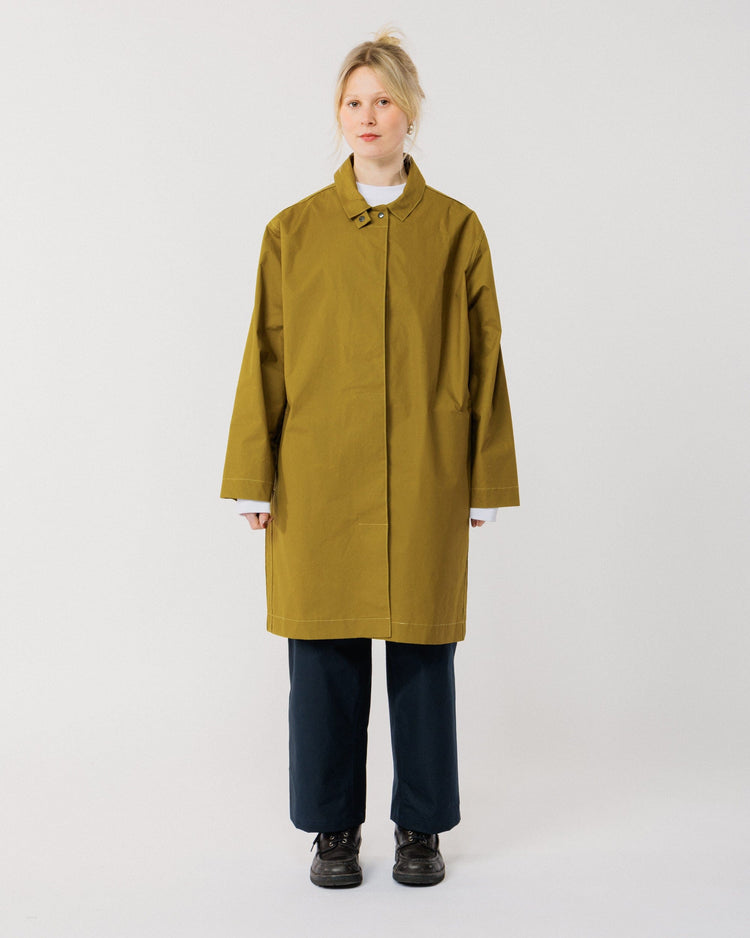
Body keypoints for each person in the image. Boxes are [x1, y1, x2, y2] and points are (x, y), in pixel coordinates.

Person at [220, 27, 520, 888]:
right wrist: (253, 477)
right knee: (323, 656)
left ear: (410, 111)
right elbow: (265, 355)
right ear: (338, 113)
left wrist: (483, 478)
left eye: (384, 100)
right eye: (354, 101)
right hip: (318, 476)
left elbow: (485, 359)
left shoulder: (456, 230)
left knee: (423, 653)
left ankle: (421, 828)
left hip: (427, 470)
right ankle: (333, 830)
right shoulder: (293, 231)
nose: (368, 115)